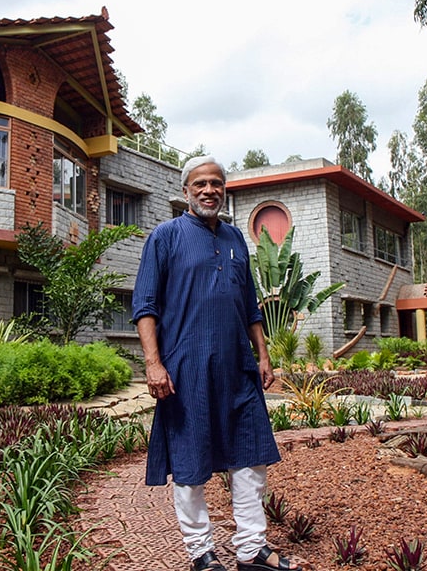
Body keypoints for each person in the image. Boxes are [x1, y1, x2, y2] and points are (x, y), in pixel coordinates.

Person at [132, 156, 301, 571]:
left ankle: (251, 549)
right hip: (186, 370)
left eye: (217, 184)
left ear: (224, 190)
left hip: (238, 369)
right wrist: (153, 364)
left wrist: (262, 354)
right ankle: (201, 553)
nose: (210, 190)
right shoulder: (165, 237)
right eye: (201, 183)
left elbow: (249, 304)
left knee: (251, 457)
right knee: (190, 464)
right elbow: (145, 306)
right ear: (186, 190)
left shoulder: (235, 238)